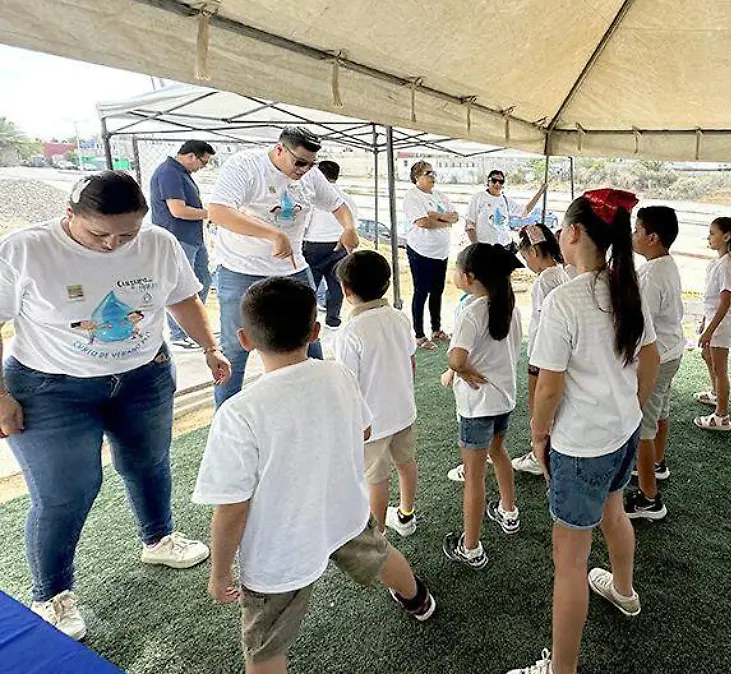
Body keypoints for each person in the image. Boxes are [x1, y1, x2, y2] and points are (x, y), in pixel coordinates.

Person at [0, 172, 229, 640]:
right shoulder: (25, 249)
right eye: (98, 233)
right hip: (49, 387)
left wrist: (209, 346)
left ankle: (158, 537)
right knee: (67, 489)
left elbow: (182, 297)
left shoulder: (159, 243)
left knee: (148, 462)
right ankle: (52, 593)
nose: (112, 245)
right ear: (69, 216)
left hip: (144, 375)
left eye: (126, 234)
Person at [193, 277, 435, 674]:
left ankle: (416, 597)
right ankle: (418, 600)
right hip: (344, 514)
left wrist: (219, 574)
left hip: (278, 551)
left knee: (265, 648)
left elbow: (232, 509)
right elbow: (365, 431)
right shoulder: (337, 375)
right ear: (316, 330)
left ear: (244, 338)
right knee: (381, 556)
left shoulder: (238, 413)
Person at [509, 189, 659, 674]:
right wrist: (632, 406)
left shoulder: (563, 301)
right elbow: (650, 359)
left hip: (581, 445)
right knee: (615, 511)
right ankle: (624, 590)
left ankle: (562, 669)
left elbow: (548, 386)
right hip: (623, 433)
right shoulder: (626, 287)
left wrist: (537, 435)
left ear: (572, 233)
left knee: (569, 560)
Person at [207, 127, 359, 409]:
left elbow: (338, 204)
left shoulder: (310, 175)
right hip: (241, 269)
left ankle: (319, 406)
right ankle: (224, 415)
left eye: (311, 164)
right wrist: (272, 234)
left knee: (309, 339)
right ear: (280, 150)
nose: (305, 170)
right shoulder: (246, 165)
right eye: (299, 162)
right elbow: (218, 211)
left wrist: (349, 227)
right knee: (235, 348)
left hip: (293, 269)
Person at [440, 243, 523, 569]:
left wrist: (460, 370)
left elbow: (457, 356)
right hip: (503, 399)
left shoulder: (472, 311)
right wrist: (458, 370)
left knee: (474, 476)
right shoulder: (509, 306)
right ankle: (508, 512)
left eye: (457, 269)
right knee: (499, 453)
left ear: (469, 276)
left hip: (477, 405)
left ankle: (471, 547)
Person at [332, 250, 420, 538]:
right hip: (404, 411)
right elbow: (411, 362)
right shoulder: (399, 317)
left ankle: (378, 537)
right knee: (406, 463)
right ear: (387, 283)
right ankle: (406, 516)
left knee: (376, 478)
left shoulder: (350, 331)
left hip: (372, 423)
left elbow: (349, 385)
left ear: (346, 291)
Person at [624, 205, 685, 520]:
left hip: (657, 357)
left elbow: (638, 325)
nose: (633, 236)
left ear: (653, 237)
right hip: (671, 351)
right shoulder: (665, 265)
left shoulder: (649, 275)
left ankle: (649, 498)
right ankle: (656, 464)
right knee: (660, 413)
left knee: (643, 427)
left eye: (637, 230)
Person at [510, 222, 571, 477]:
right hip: (558, 355)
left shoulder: (543, 282)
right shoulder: (561, 273)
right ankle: (549, 450)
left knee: (538, 407)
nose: (527, 263)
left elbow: (545, 325)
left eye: (525, 257)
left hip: (542, 356)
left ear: (534, 252)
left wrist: (536, 363)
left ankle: (539, 455)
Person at [148, 139, 215, 350]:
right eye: (202, 163)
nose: (202, 167)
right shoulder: (170, 173)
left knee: (202, 280)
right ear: (191, 156)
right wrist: (213, 214)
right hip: (177, 238)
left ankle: (193, 328)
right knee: (181, 288)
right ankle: (179, 334)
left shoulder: (182, 173)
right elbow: (178, 210)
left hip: (192, 237)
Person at [403, 160, 458, 350]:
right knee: (421, 291)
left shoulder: (440, 195)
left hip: (441, 253)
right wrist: (443, 221)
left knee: (437, 291)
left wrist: (435, 215)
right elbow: (422, 222)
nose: (432, 176)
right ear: (417, 177)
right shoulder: (412, 197)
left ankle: (436, 328)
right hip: (421, 251)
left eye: (433, 172)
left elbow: (456, 216)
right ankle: (419, 334)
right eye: (428, 173)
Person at [694, 217, 731, 433]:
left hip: (723, 325)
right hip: (715, 321)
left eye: (712, 233)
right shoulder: (718, 263)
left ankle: (722, 415)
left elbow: (725, 302)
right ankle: (716, 395)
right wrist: (706, 324)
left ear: (726, 236)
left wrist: (710, 330)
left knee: (720, 367)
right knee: (708, 356)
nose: (709, 237)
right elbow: (712, 301)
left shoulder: (727, 266)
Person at [302, 160, 355, 329]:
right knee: (336, 285)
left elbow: (305, 222)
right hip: (340, 244)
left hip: (314, 244)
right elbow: (353, 225)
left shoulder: (314, 196)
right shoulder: (346, 197)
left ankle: (308, 319)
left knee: (310, 284)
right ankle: (333, 319)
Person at [465, 169, 546, 248]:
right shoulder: (478, 197)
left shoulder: (505, 200)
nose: (497, 184)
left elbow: (525, 211)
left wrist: (540, 191)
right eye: (494, 180)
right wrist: (475, 246)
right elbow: (470, 223)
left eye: (501, 182)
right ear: (488, 181)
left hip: (504, 246)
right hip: (484, 247)